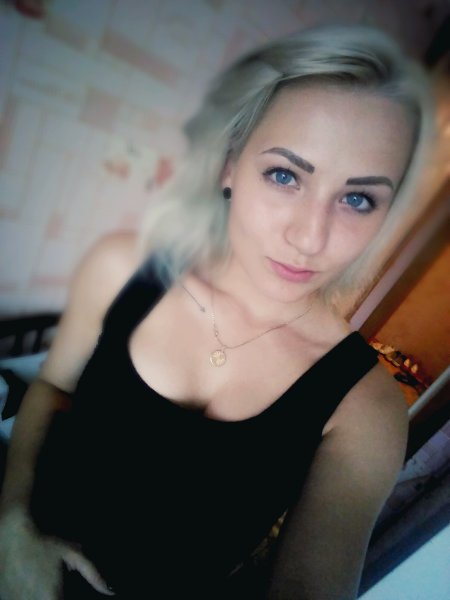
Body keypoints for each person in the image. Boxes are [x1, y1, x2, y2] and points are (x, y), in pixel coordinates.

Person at [0, 23, 434, 600]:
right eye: (284, 175)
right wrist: (13, 526)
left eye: (358, 198)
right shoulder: (120, 268)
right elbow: (54, 386)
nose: (309, 237)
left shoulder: (366, 410)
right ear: (230, 166)